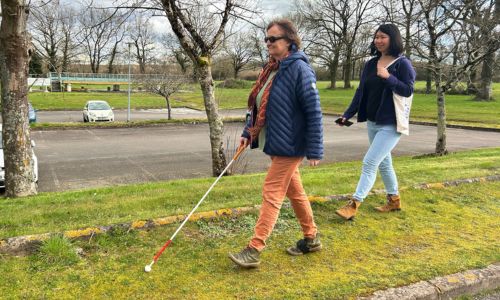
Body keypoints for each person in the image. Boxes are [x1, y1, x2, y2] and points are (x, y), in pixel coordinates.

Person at [228, 19, 324, 268]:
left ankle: (254, 248)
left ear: (290, 40)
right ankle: (311, 237)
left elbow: (313, 111)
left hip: (291, 144)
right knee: (295, 192)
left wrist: (314, 148)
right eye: (266, 39)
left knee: (272, 192)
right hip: (275, 140)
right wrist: (248, 132)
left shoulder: (299, 69)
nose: (268, 43)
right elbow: (259, 106)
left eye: (273, 39)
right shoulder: (272, 68)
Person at [335, 24, 416, 220]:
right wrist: (348, 114)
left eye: (383, 37)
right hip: (373, 121)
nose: (378, 40)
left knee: (370, 162)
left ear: (393, 39)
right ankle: (394, 200)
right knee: (384, 163)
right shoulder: (371, 64)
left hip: (391, 123)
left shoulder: (402, 64)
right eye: (376, 37)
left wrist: (389, 78)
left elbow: (407, 90)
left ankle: (354, 204)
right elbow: (361, 91)